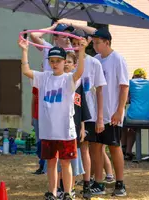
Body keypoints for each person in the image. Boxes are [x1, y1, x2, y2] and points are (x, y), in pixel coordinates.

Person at [18, 36, 87, 200]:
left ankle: (68, 193)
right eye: (52, 61)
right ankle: (52, 192)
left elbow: (80, 72)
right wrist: (25, 50)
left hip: (65, 131)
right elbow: (26, 71)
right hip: (48, 131)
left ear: (64, 62)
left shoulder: (68, 79)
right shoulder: (43, 77)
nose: (54, 64)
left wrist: (82, 50)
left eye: (58, 60)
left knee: (65, 163)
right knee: (51, 163)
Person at [69, 29, 113, 198]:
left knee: (86, 148)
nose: (75, 47)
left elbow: (100, 91)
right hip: (70, 113)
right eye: (73, 44)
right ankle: (68, 184)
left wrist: (100, 117)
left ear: (85, 43)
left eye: (79, 44)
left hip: (88, 113)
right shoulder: (68, 63)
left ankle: (87, 183)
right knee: (70, 148)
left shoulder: (94, 63)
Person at [56, 52, 91, 199]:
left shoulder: (77, 83)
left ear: (74, 65)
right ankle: (57, 187)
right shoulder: (56, 80)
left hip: (73, 126)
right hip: (57, 125)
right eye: (65, 61)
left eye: (69, 62)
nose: (66, 64)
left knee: (72, 159)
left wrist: (82, 128)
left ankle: (71, 188)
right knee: (57, 158)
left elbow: (81, 107)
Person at [122, 68, 149, 160]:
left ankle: (127, 151)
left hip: (133, 117)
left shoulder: (130, 83)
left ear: (134, 76)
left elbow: (126, 100)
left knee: (126, 125)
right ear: (145, 77)